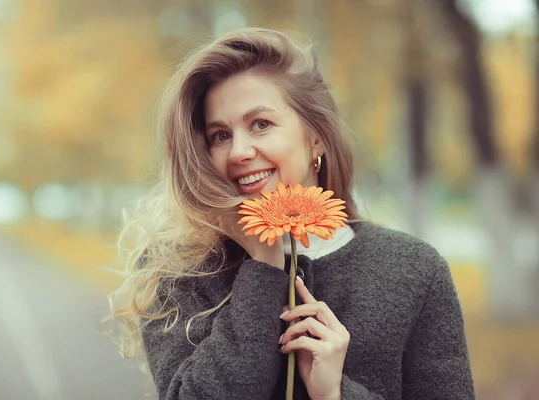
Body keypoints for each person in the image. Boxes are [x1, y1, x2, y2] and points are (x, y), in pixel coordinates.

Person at [107, 27, 475, 400]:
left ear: (315, 135)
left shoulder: (412, 270)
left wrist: (336, 394)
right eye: (220, 135)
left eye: (260, 124)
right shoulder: (179, 271)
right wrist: (264, 263)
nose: (238, 152)